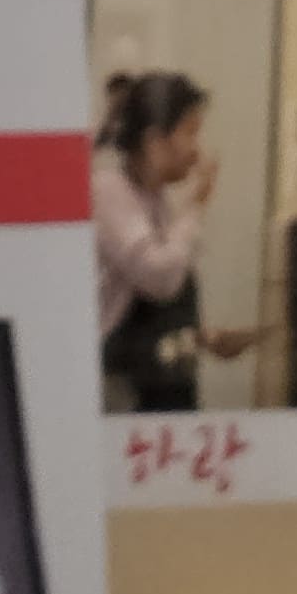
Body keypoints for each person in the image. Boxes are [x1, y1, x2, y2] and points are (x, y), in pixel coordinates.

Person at [94, 69, 258, 411]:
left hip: (163, 387)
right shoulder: (109, 191)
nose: (197, 151)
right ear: (155, 142)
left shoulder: (155, 200)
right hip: (125, 391)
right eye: (191, 133)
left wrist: (201, 337)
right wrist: (196, 204)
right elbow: (159, 276)